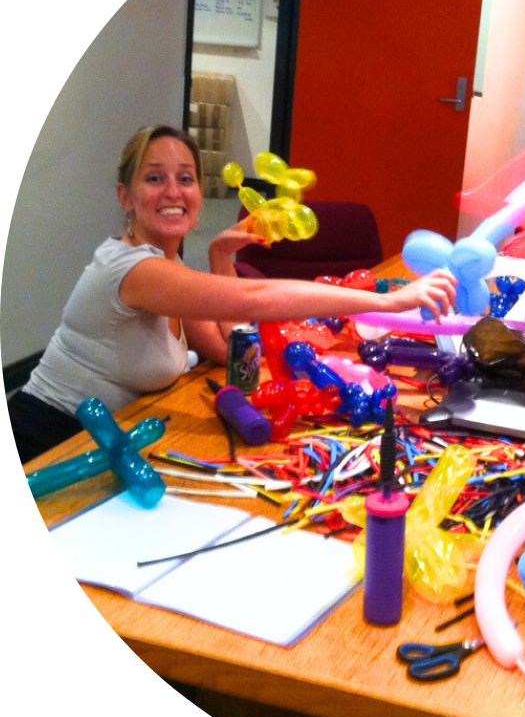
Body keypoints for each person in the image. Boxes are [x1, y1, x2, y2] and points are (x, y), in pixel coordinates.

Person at [10, 125, 457, 465]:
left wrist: (221, 255)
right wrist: (387, 303)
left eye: (185, 178)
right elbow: (253, 301)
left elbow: (230, 351)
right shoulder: (132, 270)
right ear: (125, 197)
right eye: (154, 179)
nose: (173, 191)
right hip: (47, 439)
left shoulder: (170, 270)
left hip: (102, 439)